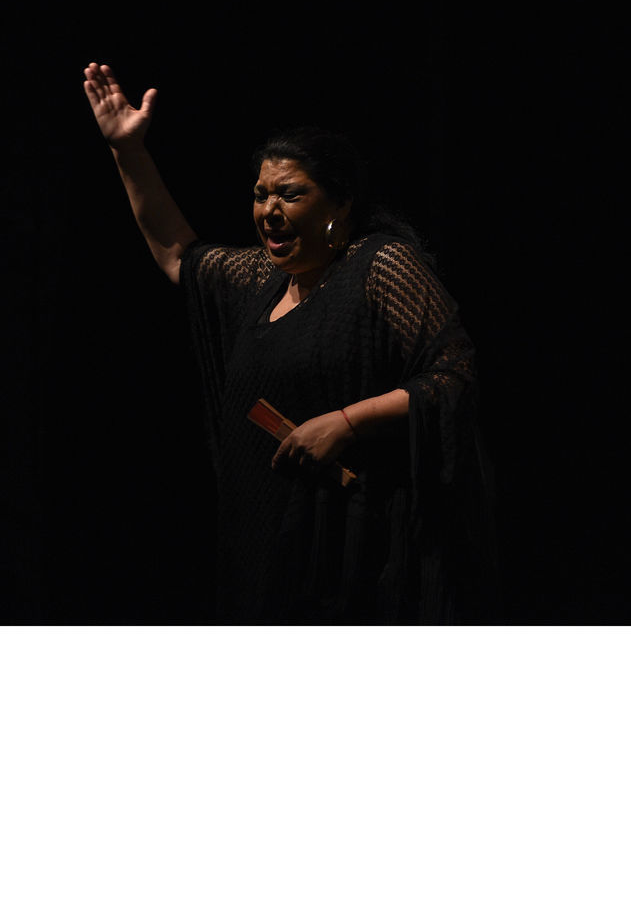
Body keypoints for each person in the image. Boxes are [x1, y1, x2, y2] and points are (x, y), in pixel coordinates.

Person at [83, 63, 495, 624]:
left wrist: (344, 423)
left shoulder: (378, 265)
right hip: (262, 539)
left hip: (350, 547)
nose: (268, 211)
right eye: (259, 195)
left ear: (340, 203)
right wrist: (128, 151)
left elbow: (454, 374)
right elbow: (179, 255)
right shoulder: (262, 281)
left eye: (290, 194)